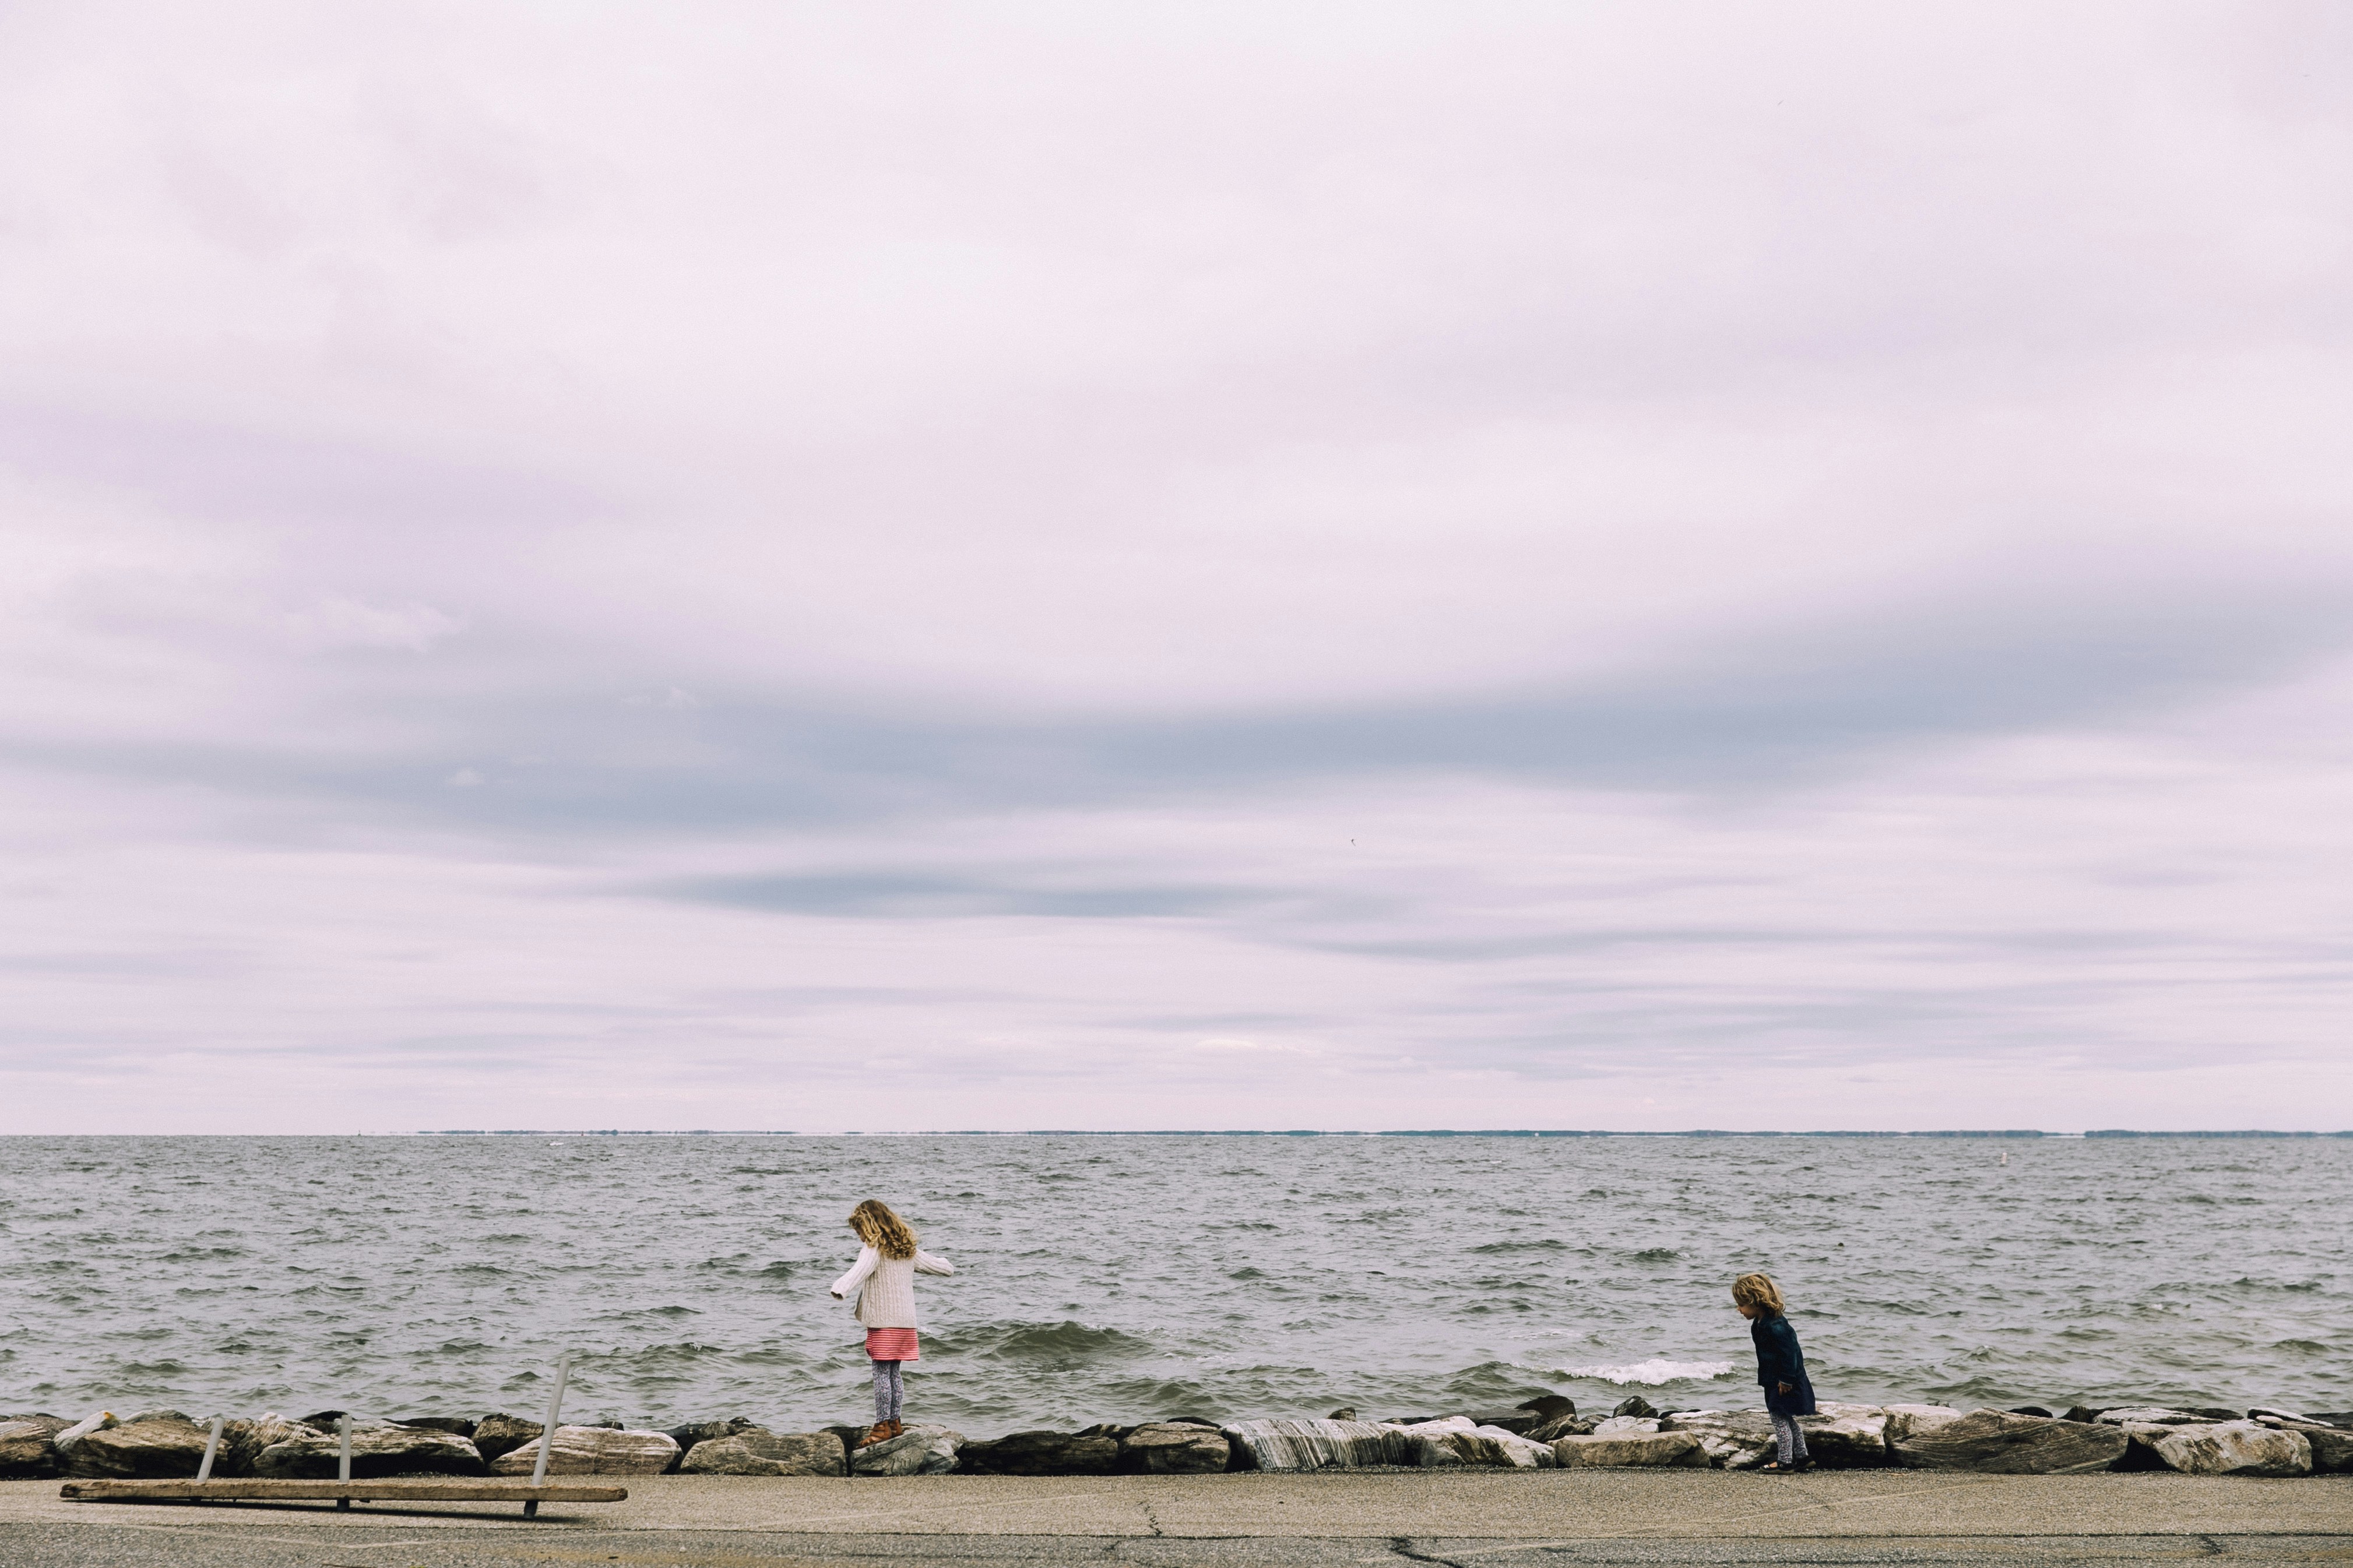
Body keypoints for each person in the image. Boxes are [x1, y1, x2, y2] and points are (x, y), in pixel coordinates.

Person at [829, 1199, 953, 1447]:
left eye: (860, 1231)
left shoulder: (874, 1248)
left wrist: (839, 1288)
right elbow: (941, 1267)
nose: (860, 1238)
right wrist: (948, 1265)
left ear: (870, 1226)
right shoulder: (905, 1249)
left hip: (884, 1321)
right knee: (894, 1373)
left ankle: (881, 1427)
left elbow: (859, 1271)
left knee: (880, 1375)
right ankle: (895, 1423)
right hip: (906, 1323)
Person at [1732, 1271, 1816, 1472]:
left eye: (1742, 1305)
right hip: (1774, 1380)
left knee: (1779, 1419)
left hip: (1785, 1382)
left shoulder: (1777, 1326)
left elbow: (1790, 1354)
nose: (1739, 1309)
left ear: (1755, 1302)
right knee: (1786, 1417)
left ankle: (1786, 1462)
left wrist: (1786, 1380)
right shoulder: (1760, 1324)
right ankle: (1803, 1457)